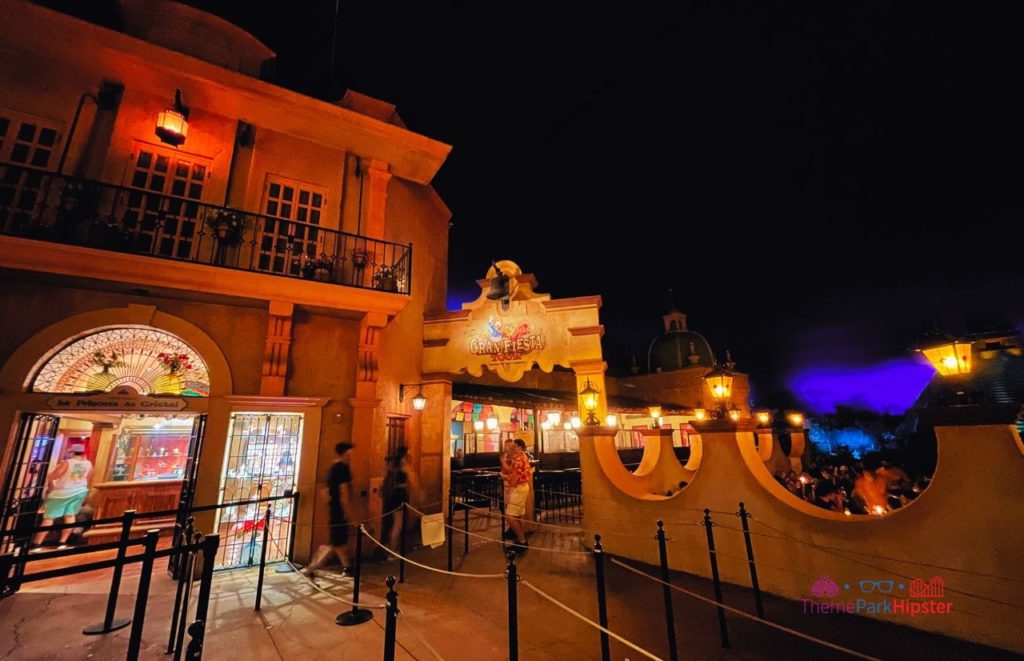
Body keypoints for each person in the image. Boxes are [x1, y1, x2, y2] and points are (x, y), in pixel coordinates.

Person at [306, 442, 354, 578]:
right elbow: (344, 493)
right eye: (350, 452)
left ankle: (348, 566)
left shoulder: (332, 469)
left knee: (339, 541)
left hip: (333, 508)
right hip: (339, 509)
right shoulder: (343, 469)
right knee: (335, 542)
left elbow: (325, 492)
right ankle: (312, 567)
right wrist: (349, 513)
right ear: (346, 453)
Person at [32, 443, 92, 551]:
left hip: (62, 492)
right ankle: (62, 542)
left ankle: (37, 544)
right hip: (79, 491)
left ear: (72, 452)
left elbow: (55, 475)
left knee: (49, 517)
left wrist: (49, 477)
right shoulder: (88, 464)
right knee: (70, 516)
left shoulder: (68, 462)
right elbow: (87, 477)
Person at [378, 446, 414, 560]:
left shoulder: (390, 465)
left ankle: (387, 548)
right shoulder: (404, 466)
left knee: (389, 524)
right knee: (397, 525)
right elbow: (412, 481)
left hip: (389, 498)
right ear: (404, 455)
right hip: (399, 497)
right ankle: (392, 552)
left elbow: (383, 481)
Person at [504, 438, 531, 552]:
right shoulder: (521, 457)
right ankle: (520, 539)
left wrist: (510, 491)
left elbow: (515, 476)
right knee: (516, 515)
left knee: (509, 516)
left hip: (519, 488)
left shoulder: (519, 459)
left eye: (514, 446)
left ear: (520, 447)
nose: (512, 448)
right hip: (523, 487)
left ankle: (522, 541)